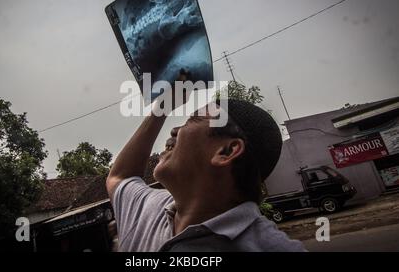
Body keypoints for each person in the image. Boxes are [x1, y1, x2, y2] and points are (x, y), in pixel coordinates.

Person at [106, 97, 305, 251]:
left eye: (193, 119)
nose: (174, 130)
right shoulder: (151, 208)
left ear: (226, 152)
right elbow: (121, 177)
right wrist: (161, 109)